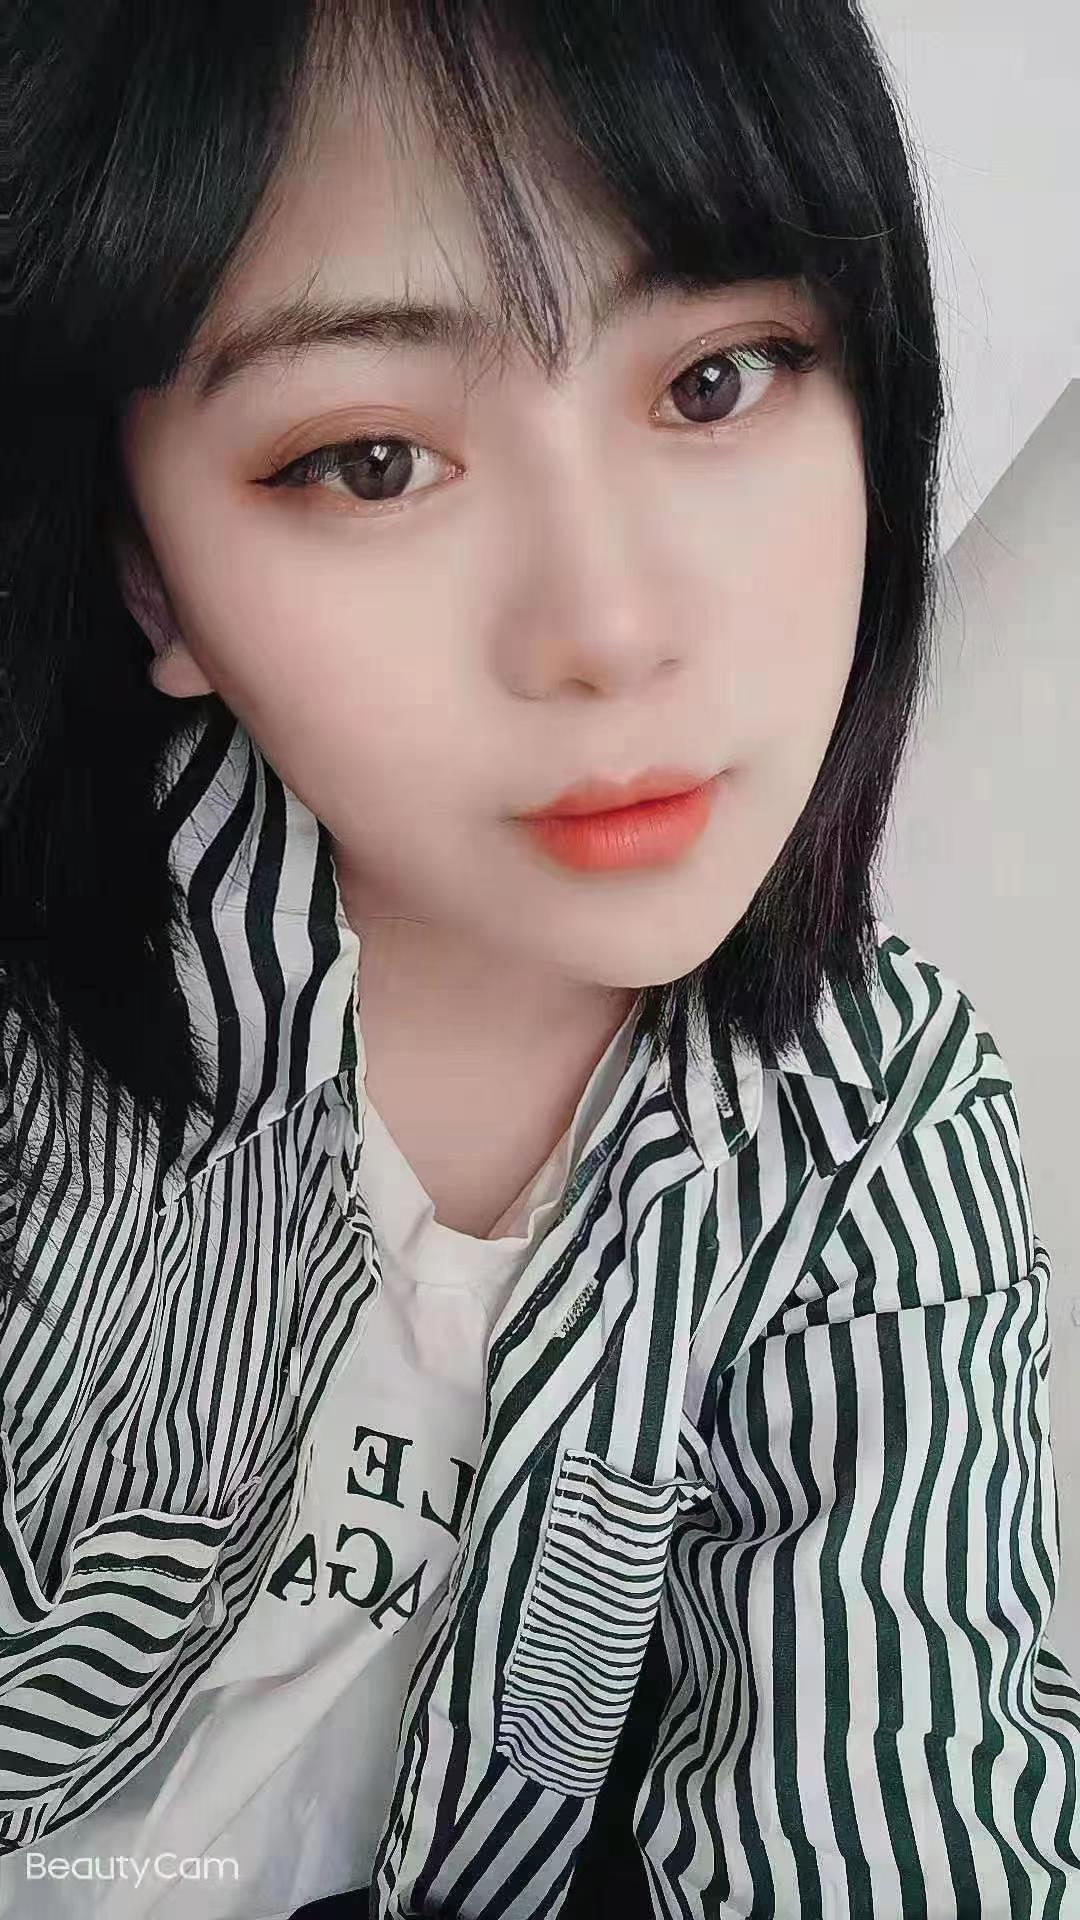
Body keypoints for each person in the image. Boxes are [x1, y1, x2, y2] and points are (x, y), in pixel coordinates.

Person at [3, 2, 1078, 1916]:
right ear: (148, 570)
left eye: (719, 382)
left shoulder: (874, 1130)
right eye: (367, 461)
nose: (610, 624)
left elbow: (898, 1784)